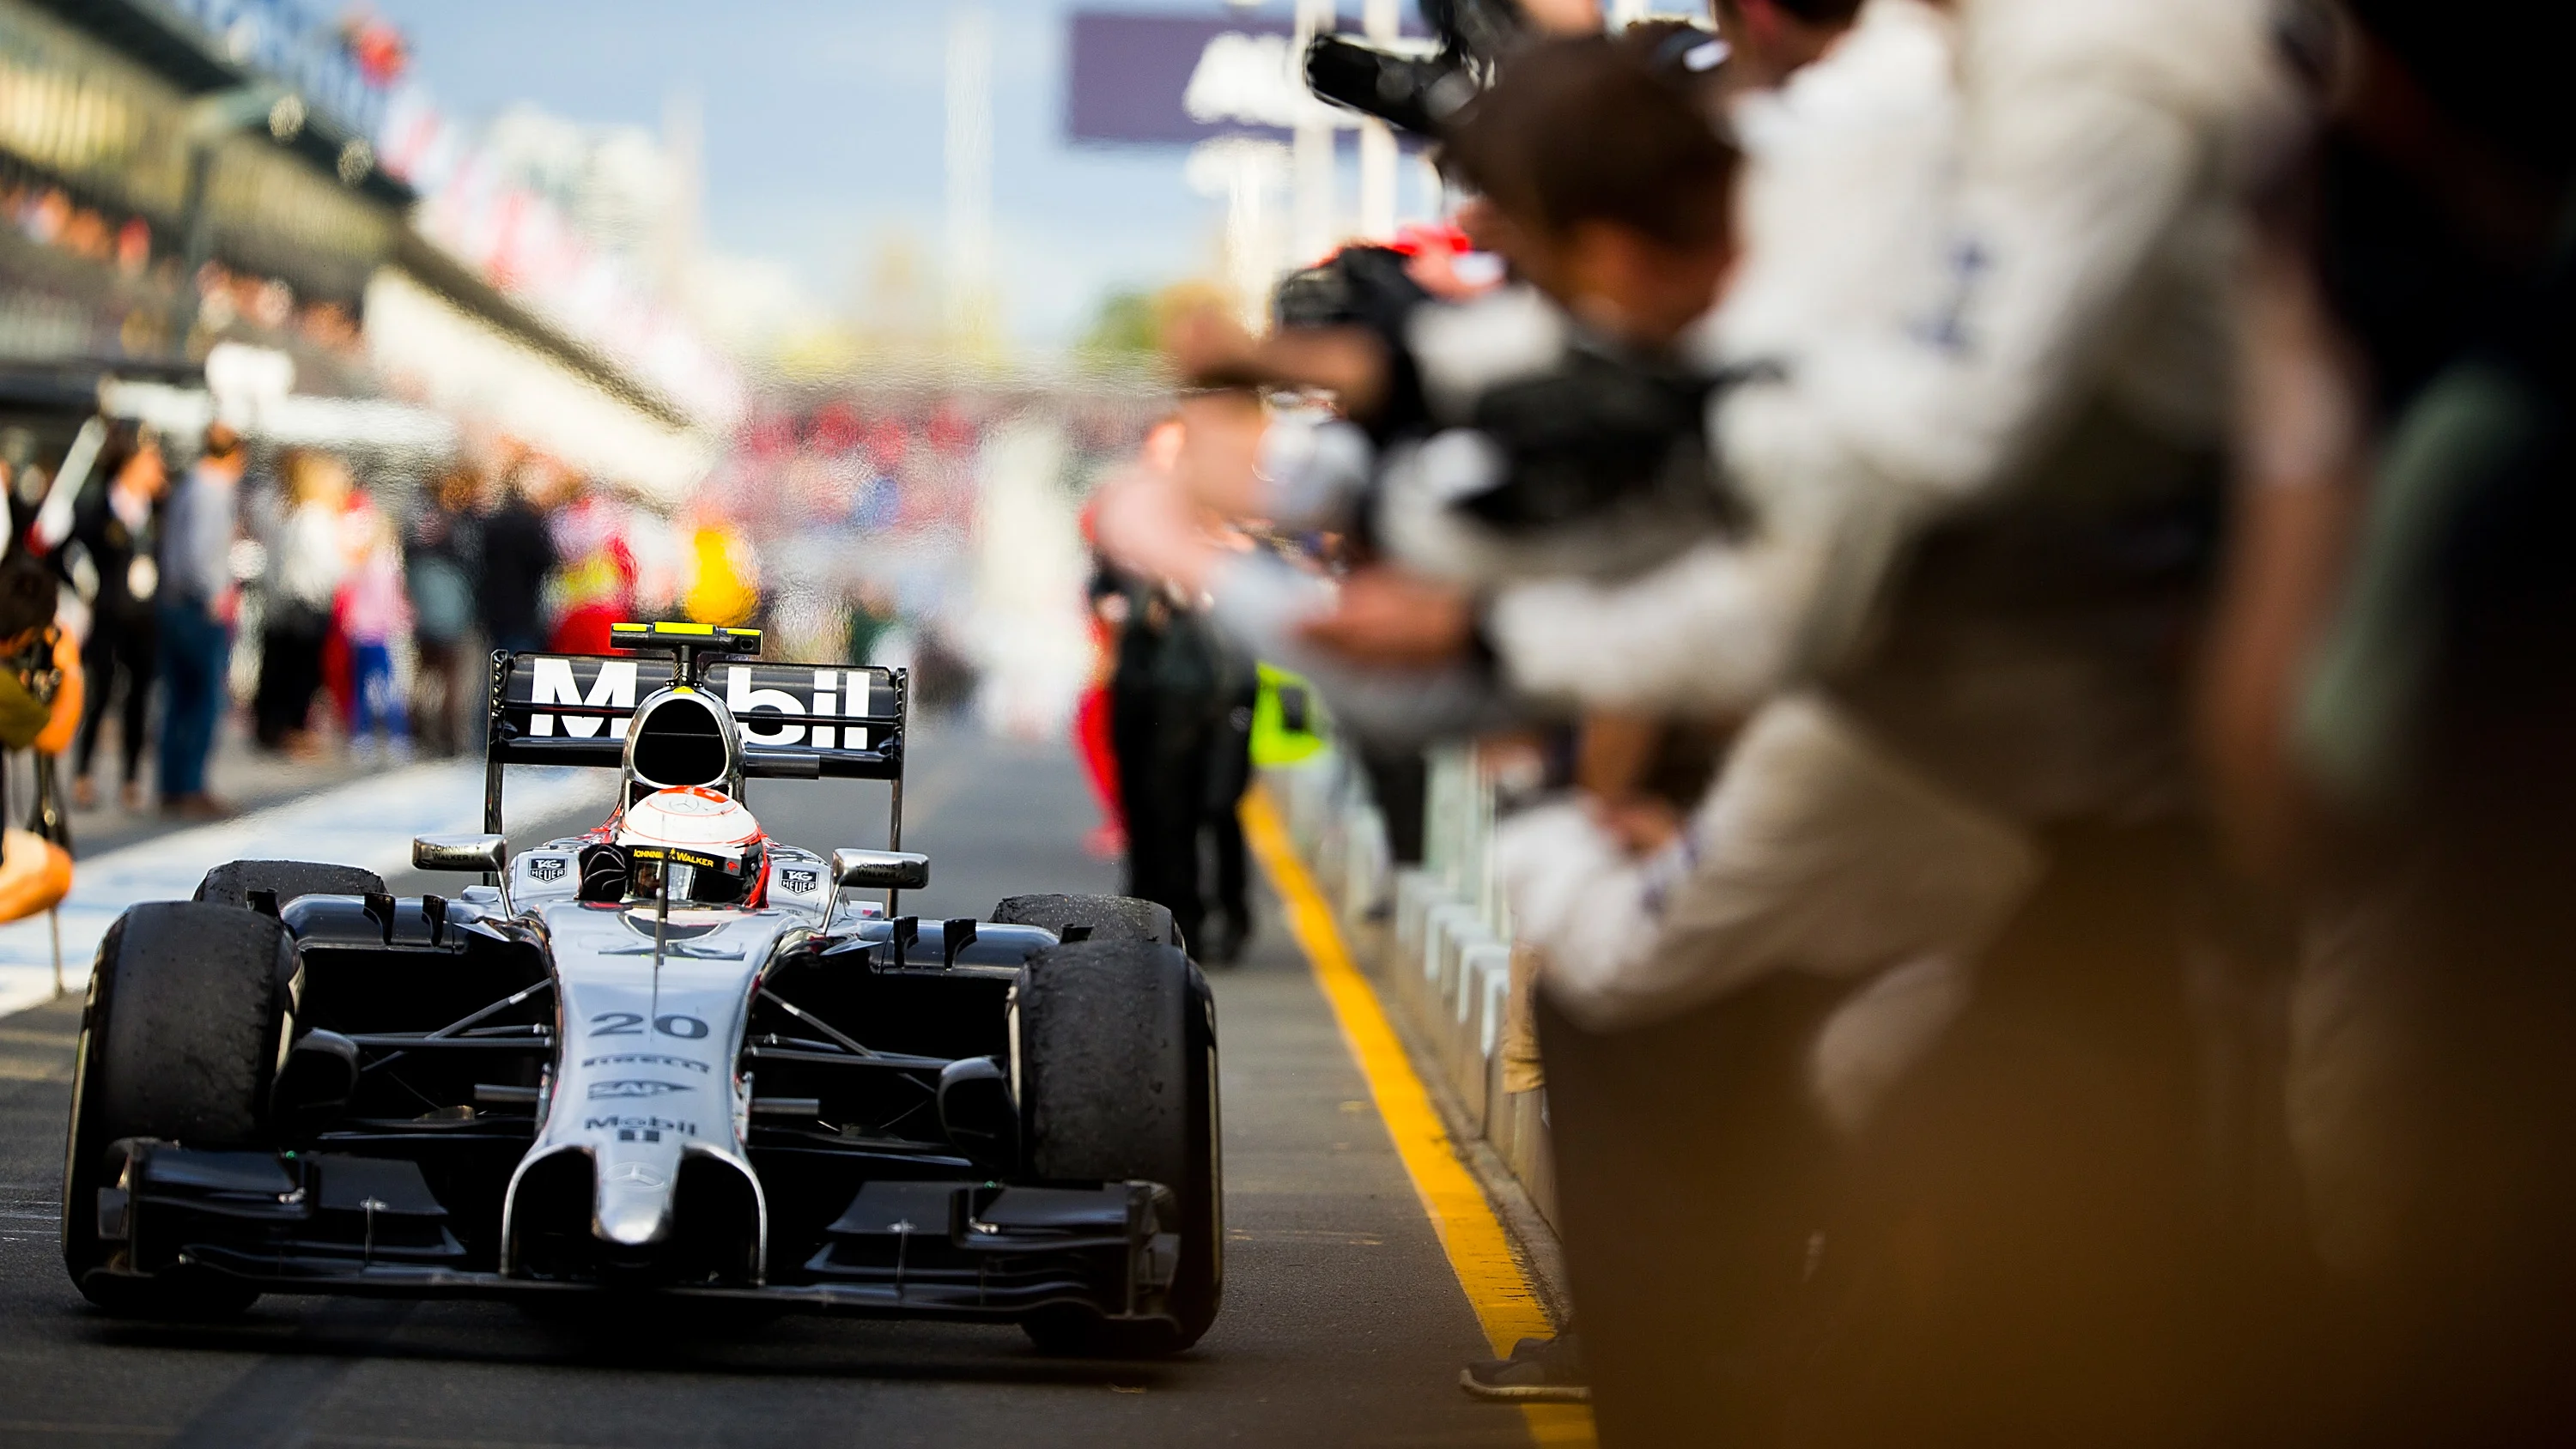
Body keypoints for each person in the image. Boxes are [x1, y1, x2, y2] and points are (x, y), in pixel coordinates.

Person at [65, 423, 166, 812]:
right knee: (100, 693)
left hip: (144, 616)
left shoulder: (157, 511)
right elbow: (67, 551)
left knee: (139, 697)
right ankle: (83, 773)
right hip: (108, 612)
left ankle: (130, 778)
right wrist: (84, 586)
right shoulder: (97, 506)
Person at [154, 422, 245, 818]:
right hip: (197, 606)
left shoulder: (188, 485)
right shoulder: (213, 490)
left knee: (177, 698)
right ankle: (189, 783)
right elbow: (202, 552)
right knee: (203, 698)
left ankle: (171, 783)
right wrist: (213, 595)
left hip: (172, 601)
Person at [252, 449, 349, 755]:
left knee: (279, 669)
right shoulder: (314, 519)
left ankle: (273, 728)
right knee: (300, 672)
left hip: (283, 604)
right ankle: (292, 731)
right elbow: (329, 568)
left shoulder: (285, 513)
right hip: (307, 604)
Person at [405, 464, 483, 755]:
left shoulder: (417, 521)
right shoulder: (459, 525)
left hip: (425, 607)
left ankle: (423, 727)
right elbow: (472, 562)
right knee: (449, 674)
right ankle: (446, 734)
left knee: (427, 672)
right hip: (451, 608)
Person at [477, 466, 559, 657]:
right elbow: (546, 562)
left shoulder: (493, 523)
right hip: (523, 607)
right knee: (521, 661)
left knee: (499, 660)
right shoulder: (530, 526)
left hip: (495, 605)